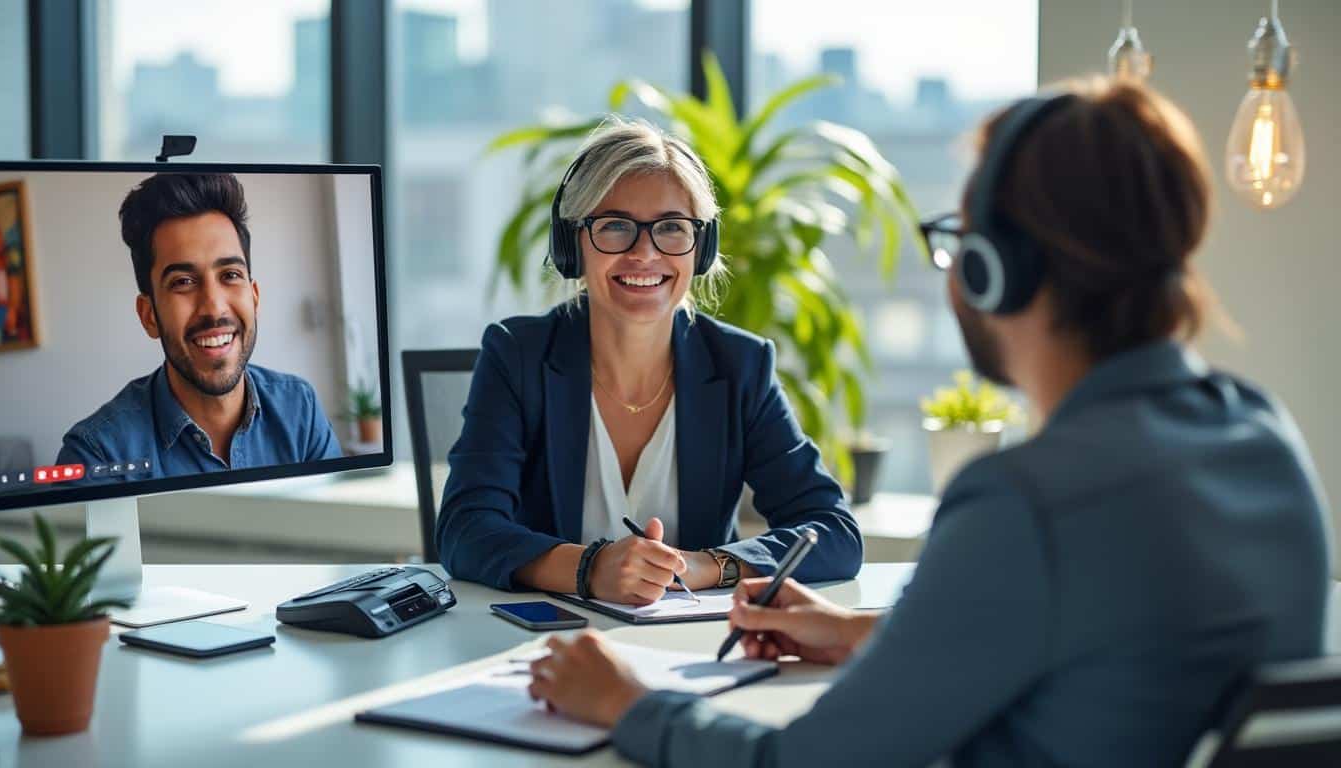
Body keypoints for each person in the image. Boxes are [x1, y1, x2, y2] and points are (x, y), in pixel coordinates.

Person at [523, 79, 1332, 766]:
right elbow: (1114, 653)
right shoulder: (1264, 442)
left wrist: (627, 704)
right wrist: (863, 635)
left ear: (994, 270)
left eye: (961, 241)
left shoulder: (1025, 501)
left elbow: (801, 762)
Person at [437, 119, 862, 604]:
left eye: (671, 228)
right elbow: (465, 529)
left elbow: (832, 532)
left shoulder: (740, 365)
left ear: (700, 248)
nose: (645, 252)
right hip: (543, 647)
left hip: (686, 649)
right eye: (615, 226)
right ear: (572, 243)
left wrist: (701, 567)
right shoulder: (518, 355)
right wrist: (590, 569)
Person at [58, 173, 342, 477]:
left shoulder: (300, 408)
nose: (214, 307)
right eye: (183, 282)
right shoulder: (96, 454)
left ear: (254, 297)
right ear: (148, 315)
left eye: (230, 275)